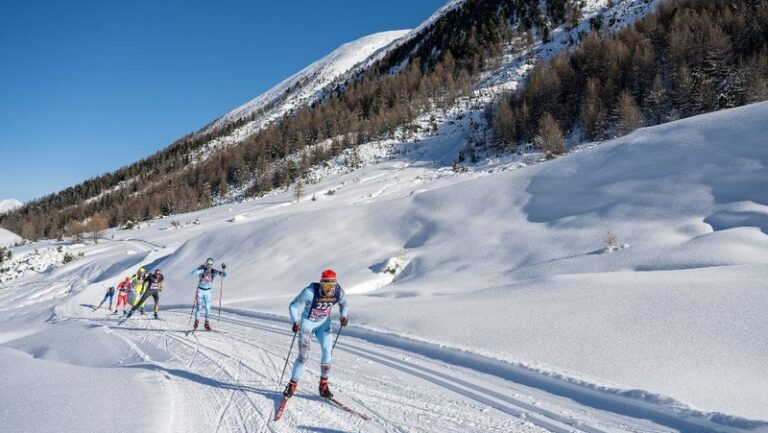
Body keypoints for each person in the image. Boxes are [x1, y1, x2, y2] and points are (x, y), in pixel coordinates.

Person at [282, 269, 348, 400]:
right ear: (321, 284)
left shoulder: (339, 292)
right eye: (326, 285)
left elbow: (344, 304)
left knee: (327, 350)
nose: (329, 289)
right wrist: (295, 321)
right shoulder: (310, 292)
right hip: (308, 324)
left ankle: (323, 385)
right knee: (303, 356)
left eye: (332, 286)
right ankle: (292, 384)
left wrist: (343, 316)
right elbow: (293, 306)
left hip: (323, 324)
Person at [190, 258, 227, 331]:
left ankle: (206, 323)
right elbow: (192, 273)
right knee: (199, 308)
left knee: (207, 308)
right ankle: (196, 322)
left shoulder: (213, 271)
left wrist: (224, 268)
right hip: (200, 290)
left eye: (211, 264)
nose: (209, 266)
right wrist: (199, 269)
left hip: (208, 292)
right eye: (208, 264)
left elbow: (224, 275)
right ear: (206, 264)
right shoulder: (203, 270)